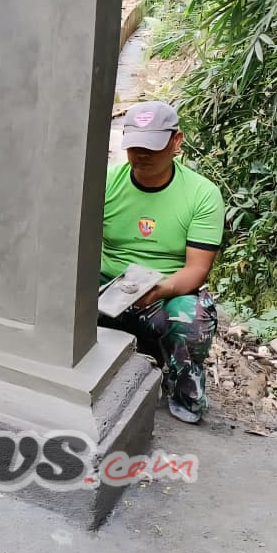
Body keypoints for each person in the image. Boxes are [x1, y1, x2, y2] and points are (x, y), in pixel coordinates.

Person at [98, 101, 224, 424]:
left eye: (152, 146)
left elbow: (196, 268)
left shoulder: (201, 195)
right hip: (107, 289)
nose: (142, 154)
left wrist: (161, 289)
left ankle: (183, 387)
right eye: (135, 145)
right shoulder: (104, 184)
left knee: (192, 316)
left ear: (176, 142)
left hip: (163, 293)